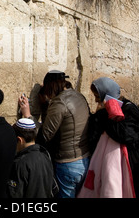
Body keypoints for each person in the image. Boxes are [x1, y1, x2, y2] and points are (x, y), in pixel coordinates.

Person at [82, 77, 139, 198]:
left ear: (106, 94)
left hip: (133, 165)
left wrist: (109, 114)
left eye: (98, 96)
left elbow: (126, 135)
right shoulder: (105, 112)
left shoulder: (128, 109)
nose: (96, 100)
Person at [19, 70, 90, 198]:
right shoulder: (78, 96)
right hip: (83, 159)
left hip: (68, 164)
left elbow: (45, 135)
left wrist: (28, 115)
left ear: (51, 85)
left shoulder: (60, 102)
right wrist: (46, 106)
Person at [7, 118, 57, 198]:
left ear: (20, 140)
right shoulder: (45, 156)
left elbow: (14, 194)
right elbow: (53, 188)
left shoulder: (20, 163)